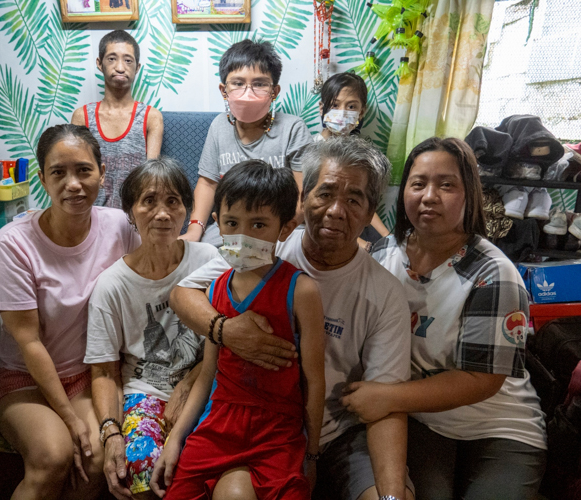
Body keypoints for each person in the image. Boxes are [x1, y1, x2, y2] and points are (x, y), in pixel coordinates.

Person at [170, 137, 415, 500]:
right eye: (325, 193)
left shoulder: (385, 293)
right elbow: (181, 295)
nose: (335, 210)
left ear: (370, 212)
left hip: (341, 432)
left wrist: (391, 495)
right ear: (304, 199)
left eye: (353, 200)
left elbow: (386, 403)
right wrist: (226, 331)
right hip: (249, 423)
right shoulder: (258, 245)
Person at [349, 137, 547, 499]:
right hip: (424, 420)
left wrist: (387, 397)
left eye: (446, 185)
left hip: (499, 425)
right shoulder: (383, 255)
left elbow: (480, 380)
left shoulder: (494, 273)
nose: (429, 196)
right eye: (418, 183)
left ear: (469, 194)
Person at [150, 160, 325, 499]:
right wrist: (175, 441)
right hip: (219, 423)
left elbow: (314, 381)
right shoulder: (215, 289)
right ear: (218, 223)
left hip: (279, 431)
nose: (243, 236)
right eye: (232, 223)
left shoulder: (302, 291)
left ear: (284, 229)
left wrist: (312, 453)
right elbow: (208, 375)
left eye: (258, 224)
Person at [0, 124, 140, 499]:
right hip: (26, 379)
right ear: (42, 179)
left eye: (84, 170)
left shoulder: (118, 225)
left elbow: (148, 278)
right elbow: (29, 342)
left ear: (102, 174)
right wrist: (69, 418)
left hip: (90, 375)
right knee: (53, 456)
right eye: (59, 172)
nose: (73, 183)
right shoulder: (14, 243)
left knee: (95, 455)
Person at [84, 157, 219, 500]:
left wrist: (190, 382)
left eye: (173, 201)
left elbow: (227, 339)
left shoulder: (210, 262)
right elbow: (102, 370)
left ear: (188, 210)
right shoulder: (111, 285)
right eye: (148, 201)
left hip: (208, 382)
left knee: (203, 463)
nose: (162, 213)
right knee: (141, 466)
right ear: (130, 212)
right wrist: (112, 433)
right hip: (144, 392)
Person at [180, 39, 313, 246]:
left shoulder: (293, 128)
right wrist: (195, 229)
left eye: (259, 84)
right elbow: (208, 183)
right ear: (224, 90)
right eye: (238, 83)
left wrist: (276, 232)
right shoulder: (218, 127)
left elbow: (304, 194)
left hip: (282, 230)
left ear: (274, 92)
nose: (248, 92)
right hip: (230, 227)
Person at [72, 29, 163, 209]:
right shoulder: (82, 117)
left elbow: (151, 178)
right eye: (112, 59)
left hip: (134, 215)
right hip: (91, 216)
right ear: (100, 63)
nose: (120, 67)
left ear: (137, 67)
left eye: (128, 60)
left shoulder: (151, 117)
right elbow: (76, 174)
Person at [317, 71, 389, 249]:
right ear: (322, 108)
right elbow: (317, 210)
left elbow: (365, 203)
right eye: (334, 105)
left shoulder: (362, 153)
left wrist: (388, 238)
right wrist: (360, 244)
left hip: (357, 222)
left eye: (351, 107)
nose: (342, 113)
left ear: (361, 112)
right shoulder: (312, 152)